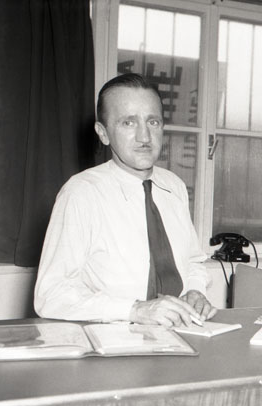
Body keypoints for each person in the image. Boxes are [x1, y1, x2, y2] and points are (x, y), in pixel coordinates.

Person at [35, 73, 216, 328]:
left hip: (179, 332)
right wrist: (135, 310)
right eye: (128, 123)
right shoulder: (81, 193)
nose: (144, 136)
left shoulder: (174, 186)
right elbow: (50, 295)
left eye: (153, 122)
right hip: (114, 337)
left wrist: (195, 291)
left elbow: (193, 262)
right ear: (103, 133)